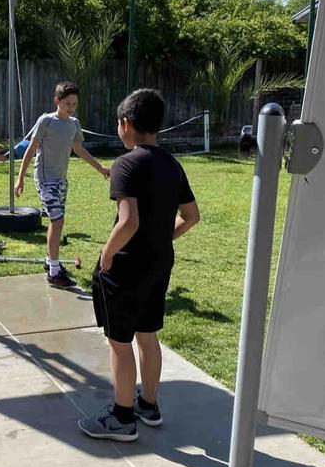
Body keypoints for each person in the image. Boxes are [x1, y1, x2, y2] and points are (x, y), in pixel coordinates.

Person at [78, 88, 200, 442]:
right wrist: (164, 238)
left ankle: (122, 417)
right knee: (148, 336)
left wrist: (107, 254)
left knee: (119, 342)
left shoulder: (126, 164)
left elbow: (127, 222)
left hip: (127, 268)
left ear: (126, 124)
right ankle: (148, 404)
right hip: (160, 265)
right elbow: (191, 216)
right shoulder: (171, 164)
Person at [14, 81, 109, 288]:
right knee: (57, 222)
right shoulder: (46, 121)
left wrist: (100, 168)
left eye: (74, 104)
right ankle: (55, 272)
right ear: (57, 101)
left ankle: (51, 262)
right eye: (67, 103)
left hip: (61, 181)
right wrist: (20, 178)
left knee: (55, 223)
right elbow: (31, 149)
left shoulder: (74, 124)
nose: (71, 107)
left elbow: (79, 149)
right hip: (44, 179)